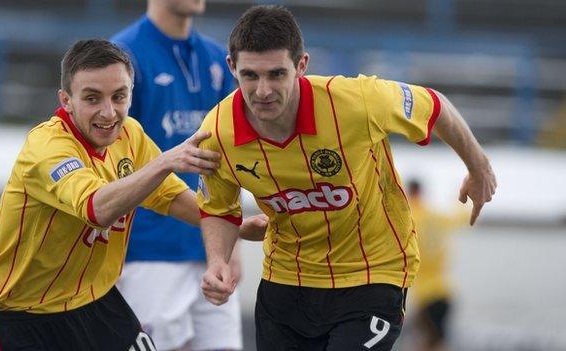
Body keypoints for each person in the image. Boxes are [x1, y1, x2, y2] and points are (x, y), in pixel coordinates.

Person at [196, 5, 497, 351]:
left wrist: (479, 167)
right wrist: (218, 261)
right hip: (286, 281)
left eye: (277, 74)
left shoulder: (357, 101)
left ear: (302, 66)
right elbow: (218, 208)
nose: (263, 90)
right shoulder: (218, 132)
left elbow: (435, 105)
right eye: (250, 75)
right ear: (232, 67)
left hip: (372, 275)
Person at [0, 39, 266, 351]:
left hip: (95, 299)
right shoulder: (47, 148)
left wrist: (236, 225)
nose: (108, 112)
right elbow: (96, 209)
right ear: (66, 100)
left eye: (119, 96)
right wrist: (166, 161)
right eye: (92, 98)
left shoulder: (130, 134)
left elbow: (168, 196)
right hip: (26, 316)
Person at [110, 1, 243, 350]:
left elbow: (229, 158)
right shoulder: (122, 56)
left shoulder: (217, 58)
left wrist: (233, 246)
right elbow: (107, 157)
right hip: (148, 254)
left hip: (210, 252)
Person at [405, 179, 465, 351]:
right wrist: (461, 196)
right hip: (445, 291)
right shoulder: (437, 217)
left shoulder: (409, 217)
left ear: (409, 192)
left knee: (425, 341)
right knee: (436, 340)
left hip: (425, 294)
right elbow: (462, 216)